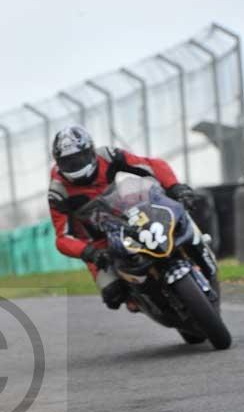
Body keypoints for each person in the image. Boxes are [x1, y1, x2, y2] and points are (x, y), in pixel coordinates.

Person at [48, 125, 199, 309]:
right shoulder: (58, 191)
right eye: (68, 162)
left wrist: (175, 186)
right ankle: (144, 302)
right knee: (113, 294)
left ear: (90, 151)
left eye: (79, 158)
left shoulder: (108, 156)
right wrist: (90, 253)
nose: (76, 166)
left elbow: (152, 165)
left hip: (129, 213)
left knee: (176, 224)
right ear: (58, 162)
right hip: (98, 241)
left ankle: (195, 259)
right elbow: (62, 238)